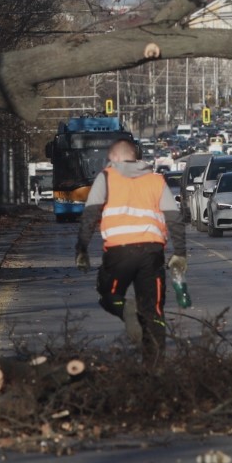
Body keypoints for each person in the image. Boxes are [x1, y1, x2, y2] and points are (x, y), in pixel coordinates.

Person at [75, 138, 187, 363]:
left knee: (108, 294)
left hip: (119, 253)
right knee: (154, 310)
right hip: (152, 253)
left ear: (115, 157)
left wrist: (82, 248)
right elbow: (174, 218)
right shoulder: (156, 180)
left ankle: (126, 309)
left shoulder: (106, 177)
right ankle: (153, 366)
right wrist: (180, 252)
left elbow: (90, 214)